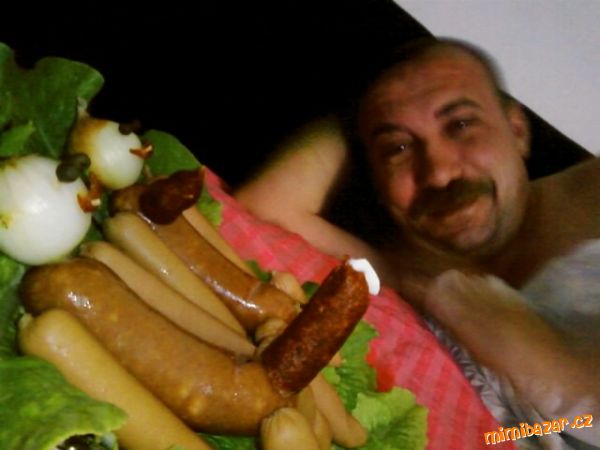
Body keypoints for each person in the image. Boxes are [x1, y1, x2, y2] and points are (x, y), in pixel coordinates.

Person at [234, 38, 600, 449]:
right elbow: (264, 205)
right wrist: (363, 116)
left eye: (461, 125)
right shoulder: (402, 272)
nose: (439, 173)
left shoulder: (592, 195)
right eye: (399, 148)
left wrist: (524, 343)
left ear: (516, 130)